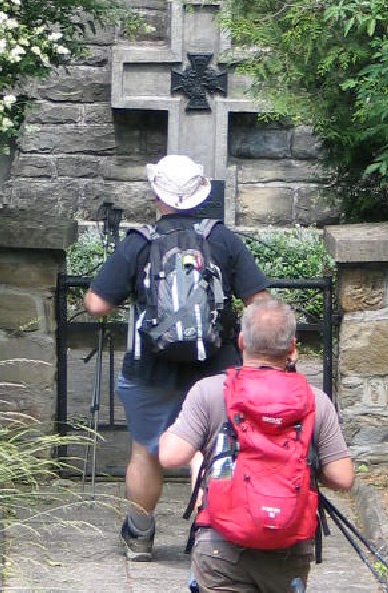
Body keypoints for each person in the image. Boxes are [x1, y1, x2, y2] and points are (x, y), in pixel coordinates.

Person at [83, 154, 271, 562]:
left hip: (150, 368)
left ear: (158, 196)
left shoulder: (140, 243)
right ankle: (214, 537)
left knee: (146, 451)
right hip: (217, 367)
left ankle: (139, 536)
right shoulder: (223, 240)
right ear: (200, 195)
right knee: (213, 449)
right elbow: (260, 302)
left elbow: (97, 304)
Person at [158, 295, 355, 593]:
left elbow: (170, 456)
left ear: (241, 342)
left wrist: (192, 453)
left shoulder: (210, 391)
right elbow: (343, 477)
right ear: (292, 347)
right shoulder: (315, 401)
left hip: (220, 545)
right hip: (288, 548)